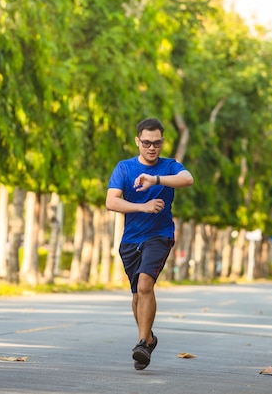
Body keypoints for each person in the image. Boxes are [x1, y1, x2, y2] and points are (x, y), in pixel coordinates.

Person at [106, 118, 194, 370]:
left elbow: (187, 179)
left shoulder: (170, 166)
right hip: (130, 239)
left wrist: (156, 180)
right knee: (137, 296)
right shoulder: (124, 168)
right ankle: (150, 338)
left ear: (162, 142)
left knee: (145, 284)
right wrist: (142, 207)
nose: (151, 147)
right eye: (146, 142)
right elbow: (111, 202)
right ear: (138, 141)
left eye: (156, 143)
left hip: (160, 235)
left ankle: (142, 342)